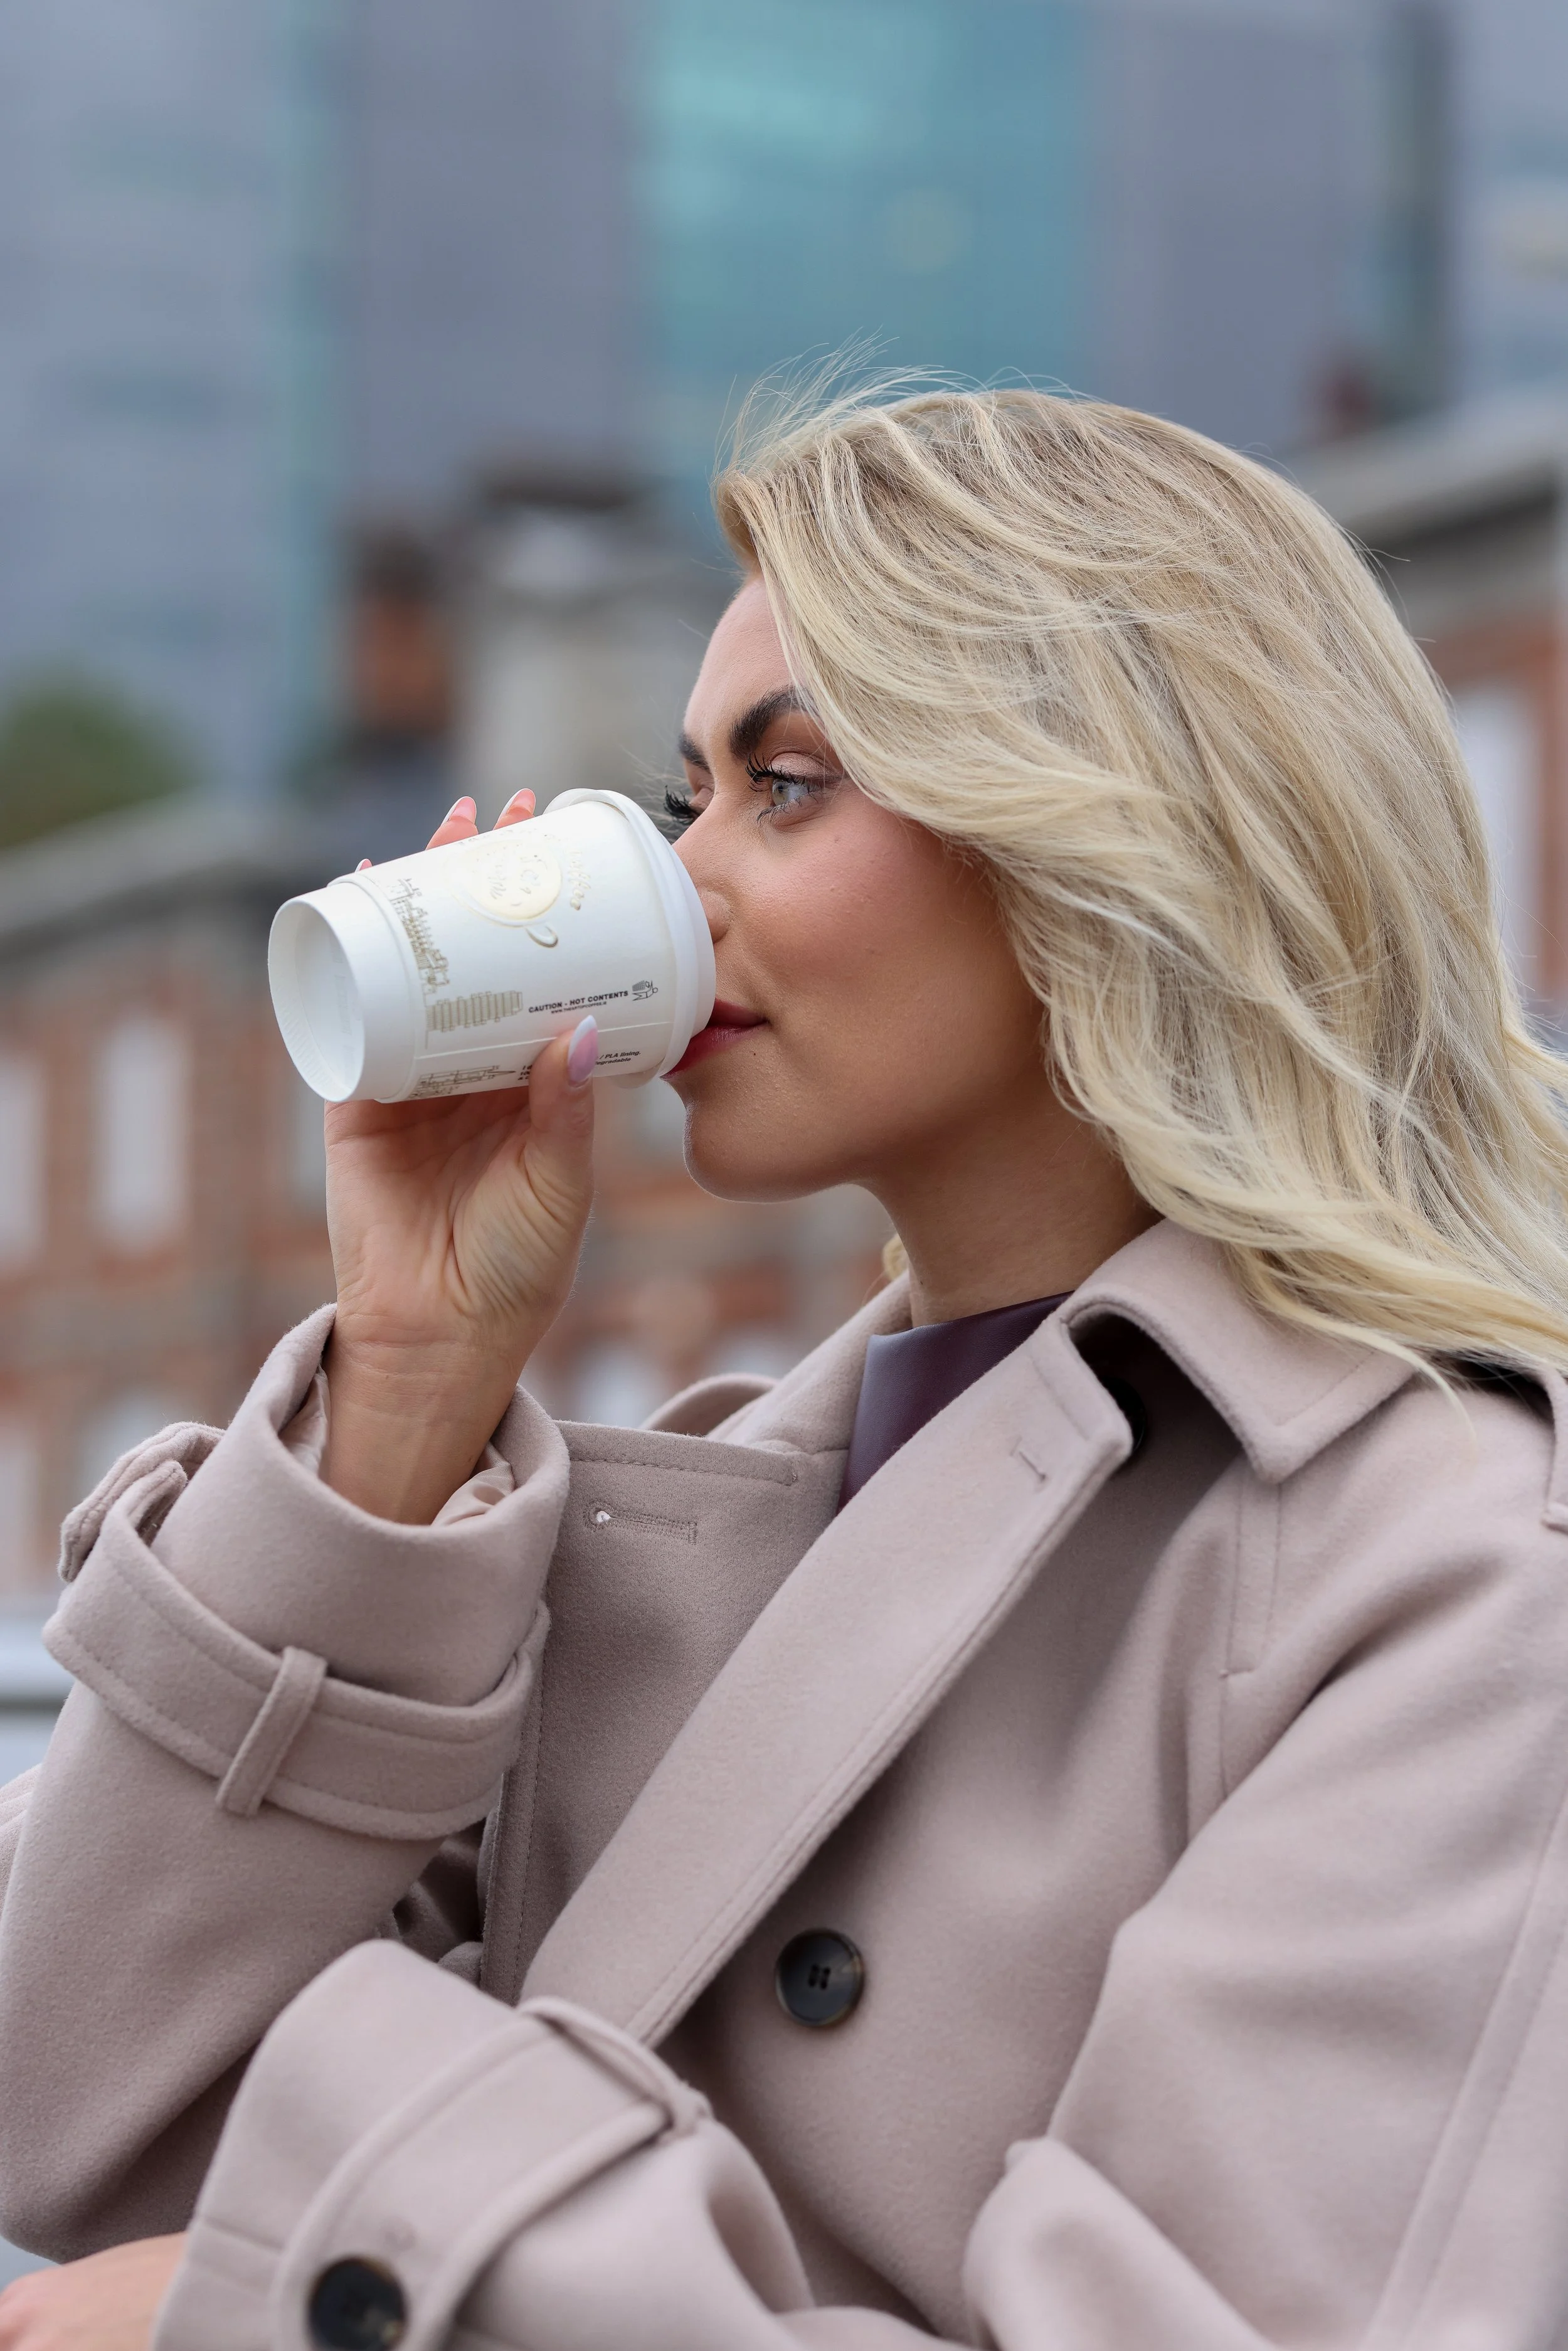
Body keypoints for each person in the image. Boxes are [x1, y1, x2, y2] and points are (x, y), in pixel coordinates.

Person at [4, 385, 1568, 2351]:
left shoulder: (1457, 1575)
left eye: (791, 784)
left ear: (1106, 839)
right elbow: (87, 2107)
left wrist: (319, 2302)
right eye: (686, 801)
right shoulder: (708, 1530)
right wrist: (407, 1387)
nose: (681, 885)